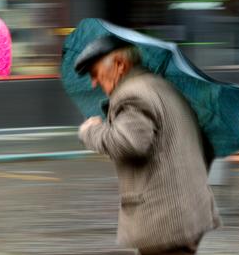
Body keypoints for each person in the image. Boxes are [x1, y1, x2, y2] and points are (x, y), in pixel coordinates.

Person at [75, 36, 221, 255]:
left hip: (164, 219)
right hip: (189, 211)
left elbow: (128, 144)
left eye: (95, 73)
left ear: (119, 64)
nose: (93, 82)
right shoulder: (161, 86)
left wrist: (90, 131)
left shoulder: (132, 93)